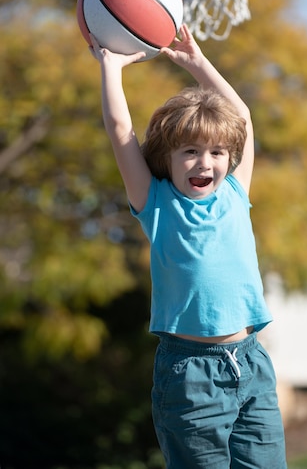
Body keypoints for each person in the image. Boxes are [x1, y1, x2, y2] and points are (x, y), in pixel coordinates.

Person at [89, 24, 287, 469]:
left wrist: (199, 64)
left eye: (218, 152)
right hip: (190, 376)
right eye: (191, 151)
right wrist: (112, 67)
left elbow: (243, 119)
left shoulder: (235, 192)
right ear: (168, 159)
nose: (206, 162)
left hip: (252, 362)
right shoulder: (156, 202)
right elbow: (121, 130)